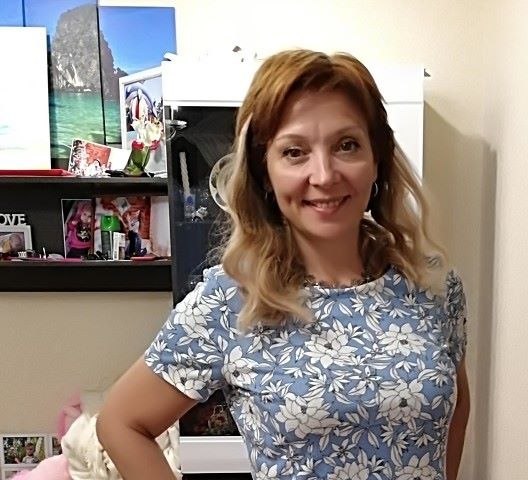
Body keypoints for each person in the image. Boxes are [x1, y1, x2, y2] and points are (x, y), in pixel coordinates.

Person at [96, 49, 470, 480]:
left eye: (347, 145)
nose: (324, 175)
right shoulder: (231, 301)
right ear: (265, 173)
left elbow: (456, 407)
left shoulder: (433, 284)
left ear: (377, 160)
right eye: (295, 152)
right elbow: (121, 423)